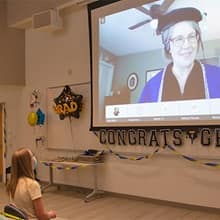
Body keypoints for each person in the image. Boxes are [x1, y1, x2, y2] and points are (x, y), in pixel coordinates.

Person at [138, 7, 220, 103]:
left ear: (197, 38)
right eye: (178, 39)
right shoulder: (151, 87)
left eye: (191, 36)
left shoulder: (217, 76)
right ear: (168, 45)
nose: (187, 45)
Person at [6, 147, 57, 220]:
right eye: (32, 156)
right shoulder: (32, 185)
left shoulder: (12, 183)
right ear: (28, 163)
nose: (34, 159)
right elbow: (41, 216)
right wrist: (51, 214)